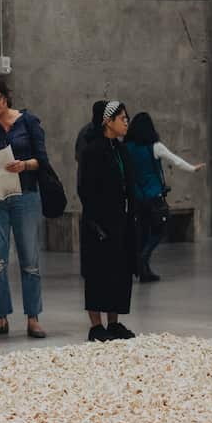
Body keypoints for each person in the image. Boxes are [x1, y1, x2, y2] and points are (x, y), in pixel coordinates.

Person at [0, 77, 51, 339]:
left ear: (6, 97)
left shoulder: (28, 122)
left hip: (25, 193)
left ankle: (33, 317)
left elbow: (42, 160)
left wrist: (23, 165)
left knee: (29, 259)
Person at [77, 100, 139, 341]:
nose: (126, 122)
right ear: (108, 122)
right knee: (98, 272)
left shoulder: (122, 150)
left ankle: (114, 322)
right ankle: (96, 325)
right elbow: (85, 189)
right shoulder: (92, 151)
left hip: (122, 220)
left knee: (119, 271)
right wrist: (96, 221)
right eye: (122, 118)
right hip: (99, 222)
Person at [123, 112, 205, 283]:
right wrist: (193, 168)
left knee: (143, 231)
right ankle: (143, 258)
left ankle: (144, 271)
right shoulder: (154, 146)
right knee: (160, 228)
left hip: (136, 197)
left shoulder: (127, 147)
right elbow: (175, 160)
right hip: (154, 196)